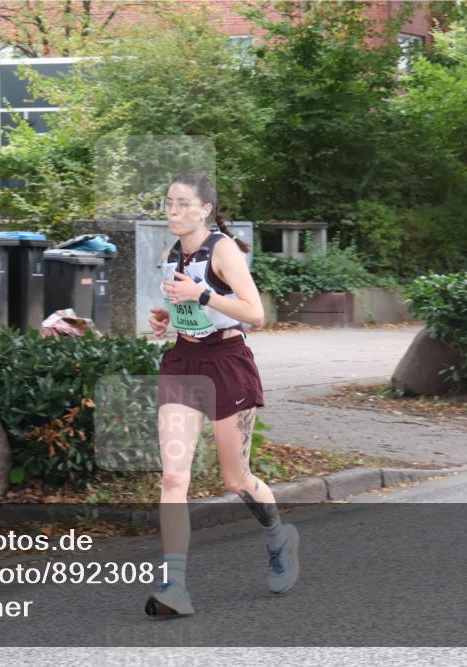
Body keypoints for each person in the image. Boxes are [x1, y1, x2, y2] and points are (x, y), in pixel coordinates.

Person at [145, 172, 299, 617]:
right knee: (174, 478)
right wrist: (167, 318)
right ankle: (175, 587)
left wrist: (204, 293)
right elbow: (186, 310)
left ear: (205, 210)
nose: (172, 211)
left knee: (236, 480)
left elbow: (256, 314)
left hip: (227, 364)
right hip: (182, 363)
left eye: (182, 204)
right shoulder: (170, 253)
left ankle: (279, 539)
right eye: (168, 203)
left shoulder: (223, 250)